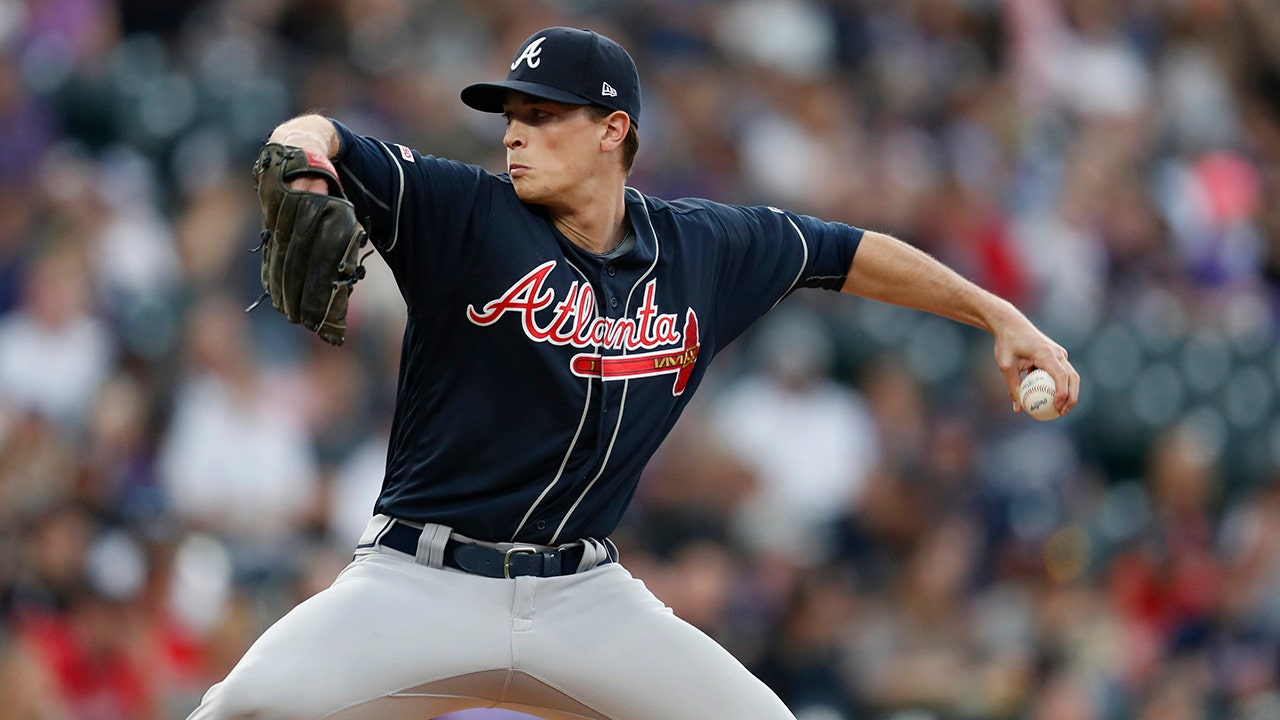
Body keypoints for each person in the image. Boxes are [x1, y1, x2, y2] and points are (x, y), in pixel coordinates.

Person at [187, 26, 1079, 720]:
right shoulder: (463, 212)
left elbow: (848, 252)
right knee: (246, 707)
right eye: (510, 115)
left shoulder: (703, 248)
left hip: (584, 597)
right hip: (420, 581)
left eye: (543, 115)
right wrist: (302, 171)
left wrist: (998, 314)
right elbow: (319, 135)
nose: (514, 135)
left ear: (613, 130)